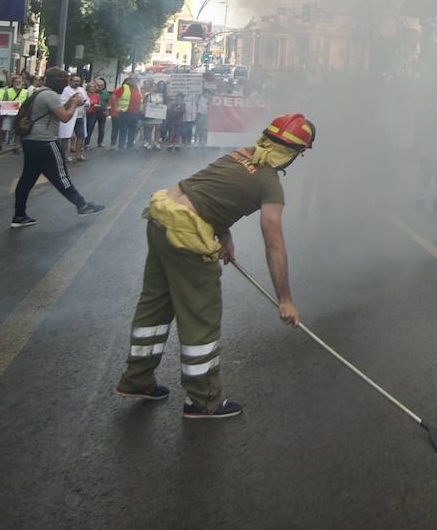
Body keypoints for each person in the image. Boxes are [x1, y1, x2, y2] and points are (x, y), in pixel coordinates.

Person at [115, 113, 315, 419]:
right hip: (185, 236)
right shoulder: (269, 182)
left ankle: (137, 379)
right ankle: (204, 400)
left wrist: (223, 234)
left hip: (161, 219)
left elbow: (205, 192)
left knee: (155, 304)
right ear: (297, 152)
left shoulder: (240, 154)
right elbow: (274, 244)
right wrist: (285, 299)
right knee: (201, 315)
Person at [12, 67, 107, 228]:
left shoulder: (39, 93)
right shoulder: (50, 95)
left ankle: (19, 215)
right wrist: (75, 103)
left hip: (30, 140)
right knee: (61, 175)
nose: (66, 84)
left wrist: (71, 102)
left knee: (27, 178)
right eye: (65, 81)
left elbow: (57, 111)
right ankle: (82, 206)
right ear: (57, 81)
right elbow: (64, 117)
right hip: (46, 141)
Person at [109, 78, 143, 151]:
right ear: (129, 81)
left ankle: (130, 145)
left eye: (136, 80)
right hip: (124, 113)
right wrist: (116, 107)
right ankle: (121, 147)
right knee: (123, 130)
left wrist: (140, 110)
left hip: (135, 113)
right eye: (133, 80)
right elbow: (114, 96)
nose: (134, 81)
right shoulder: (124, 87)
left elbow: (140, 100)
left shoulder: (138, 89)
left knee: (132, 130)